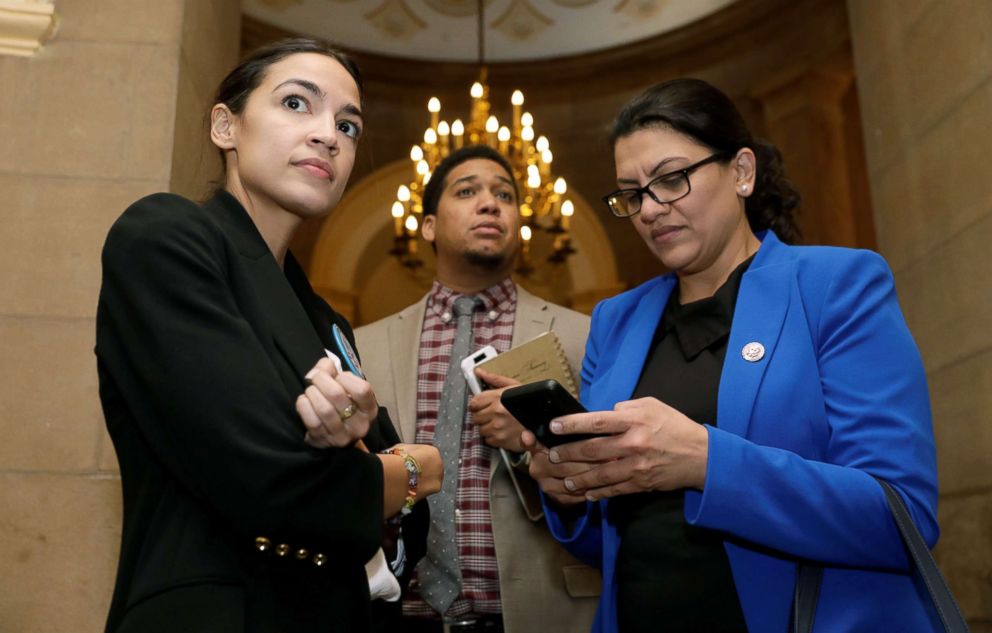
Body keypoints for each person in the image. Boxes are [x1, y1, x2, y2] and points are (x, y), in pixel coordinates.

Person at [525, 78, 941, 633]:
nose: (649, 209)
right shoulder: (616, 321)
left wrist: (705, 460)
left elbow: (901, 517)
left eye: (671, 179)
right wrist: (571, 490)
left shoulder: (836, 285)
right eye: (632, 193)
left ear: (741, 172)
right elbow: (617, 541)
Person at [95, 38, 442, 633]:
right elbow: (271, 479)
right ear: (226, 126)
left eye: (348, 125)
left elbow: (407, 531)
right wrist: (419, 468)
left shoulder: (326, 321)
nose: (329, 135)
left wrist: (373, 466)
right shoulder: (165, 239)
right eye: (297, 104)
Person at [355, 145, 600, 633]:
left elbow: (611, 479)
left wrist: (536, 437)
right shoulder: (365, 345)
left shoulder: (582, 334)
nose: (490, 203)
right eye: (467, 191)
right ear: (427, 226)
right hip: (401, 615)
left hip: (540, 613)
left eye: (504, 195)